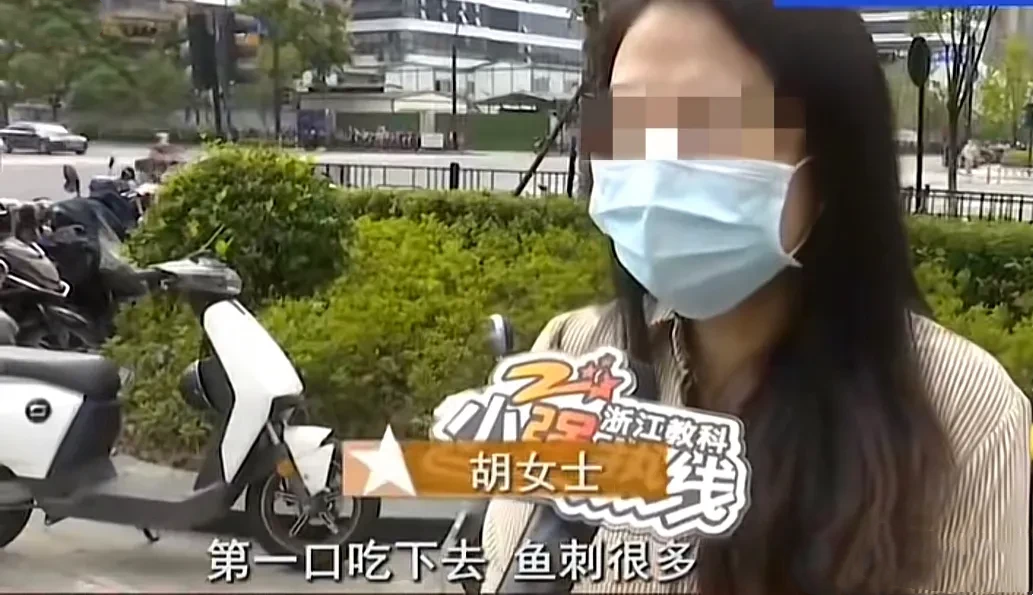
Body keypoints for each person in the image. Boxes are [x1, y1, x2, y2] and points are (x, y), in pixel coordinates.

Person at [476, 0, 1031, 592]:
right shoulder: (572, 356)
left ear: (831, 158)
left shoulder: (963, 417)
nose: (659, 163)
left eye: (711, 123)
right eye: (629, 120)